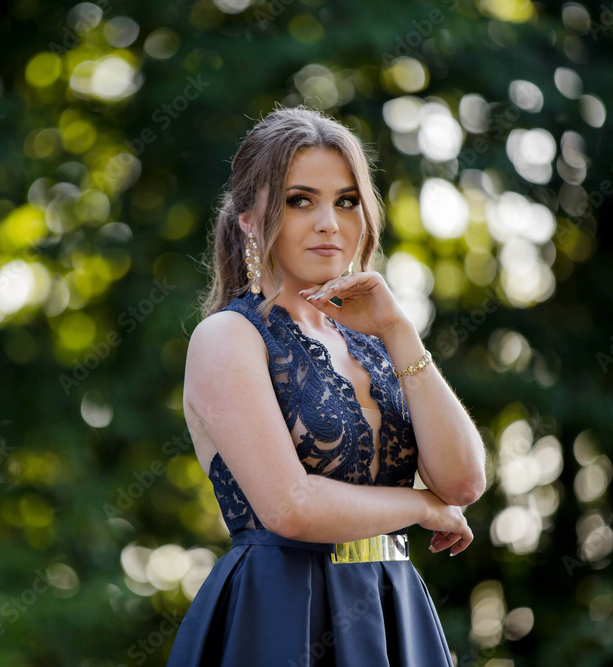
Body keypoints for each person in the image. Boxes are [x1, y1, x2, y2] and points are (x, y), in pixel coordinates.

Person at [166, 105, 488, 666]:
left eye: (346, 201)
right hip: (281, 612)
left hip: (393, 609)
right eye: (300, 201)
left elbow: (462, 482)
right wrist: (419, 506)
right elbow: (290, 508)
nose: (328, 223)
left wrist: (398, 331)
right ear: (248, 218)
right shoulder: (228, 337)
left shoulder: (375, 340)